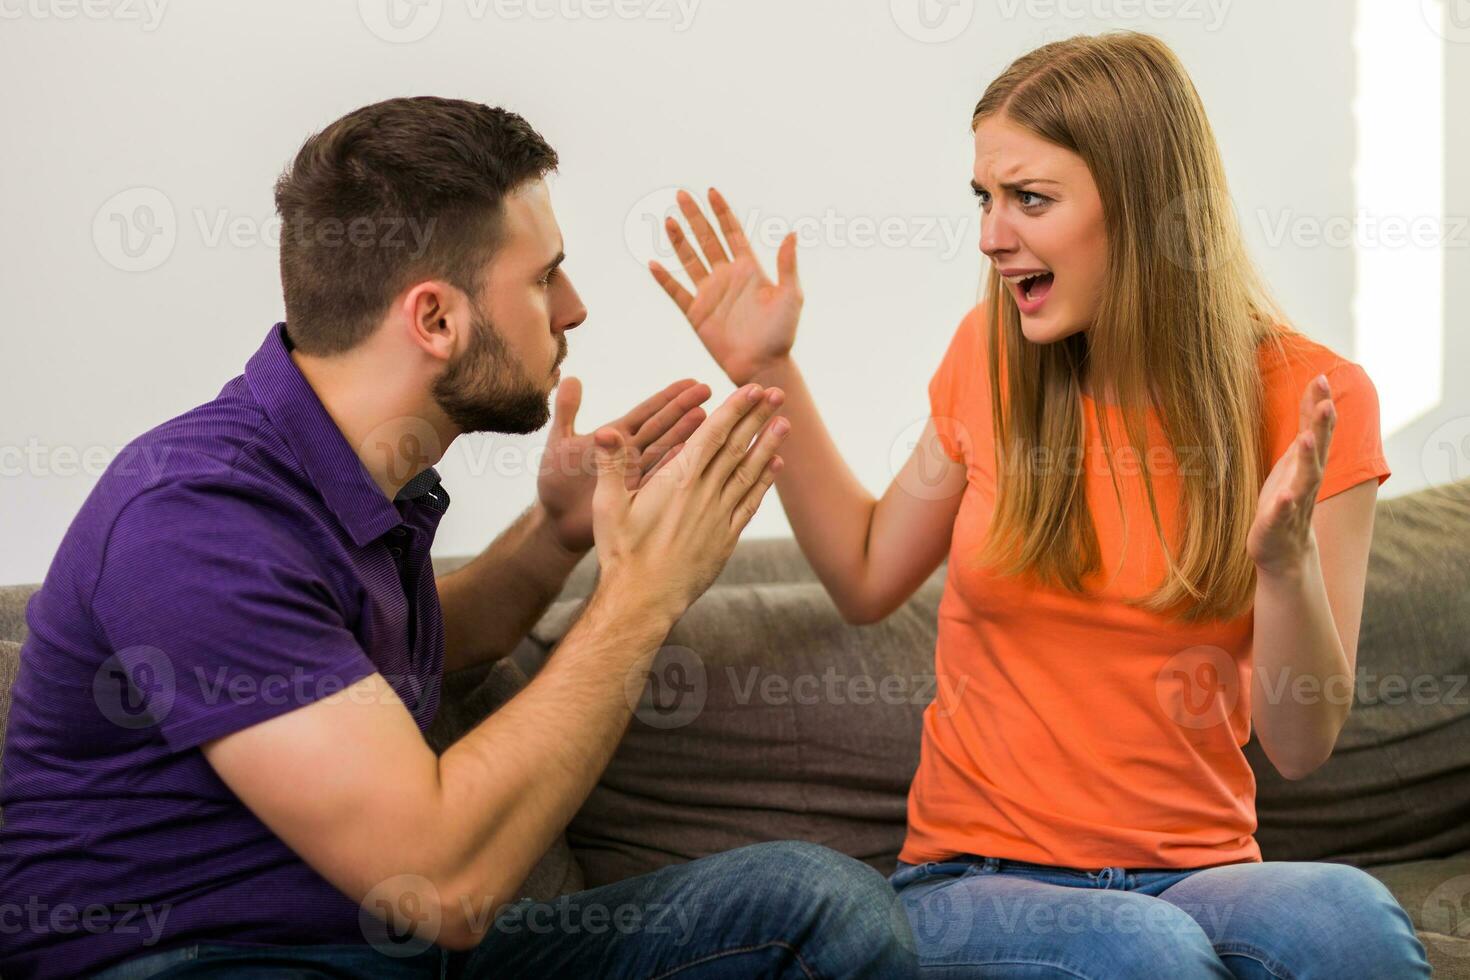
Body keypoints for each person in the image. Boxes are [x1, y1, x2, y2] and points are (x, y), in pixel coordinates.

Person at [0, 97, 920, 979]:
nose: (574, 307)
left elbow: (379, 659)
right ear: (435, 318)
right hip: (204, 961)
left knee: (813, 903)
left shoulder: (353, 477)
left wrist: (556, 536)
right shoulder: (193, 521)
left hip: (385, 960)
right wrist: (643, 593)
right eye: (543, 275)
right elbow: (437, 884)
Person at [649, 32, 1432, 979]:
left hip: (1198, 871)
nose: (990, 234)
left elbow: (1301, 745)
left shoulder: (1317, 399)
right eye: (985, 197)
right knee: (1150, 954)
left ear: (1142, 210)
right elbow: (862, 573)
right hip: (973, 880)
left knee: (1349, 917)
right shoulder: (992, 356)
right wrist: (768, 369)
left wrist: (1284, 566)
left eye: (1030, 198)